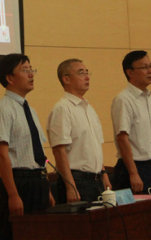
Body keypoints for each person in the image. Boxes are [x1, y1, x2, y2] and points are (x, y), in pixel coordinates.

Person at [0, 53, 54, 240]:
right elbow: (1, 155)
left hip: (39, 181)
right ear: (10, 78)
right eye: (25, 70)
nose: (31, 74)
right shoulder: (2, 109)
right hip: (19, 183)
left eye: (32, 70)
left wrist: (47, 188)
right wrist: (13, 195)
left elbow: (39, 153)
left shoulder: (30, 110)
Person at [47, 59, 111, 203]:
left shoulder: (89, 108)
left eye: (87, 73)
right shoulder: (62, 109)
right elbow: (59, 151)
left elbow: (95, 147)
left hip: (96, 180)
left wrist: (104, 175)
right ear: (66, 79)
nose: (87, 77)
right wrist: (71, 187)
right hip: (77, 181)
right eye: (81, 73)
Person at [111, 50, 151, 193]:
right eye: (144, 67)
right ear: (130, 72)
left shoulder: (149, 98)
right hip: (135, 167)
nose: (150, 71)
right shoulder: (124, 99)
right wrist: (133, 173)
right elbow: (122, 138)